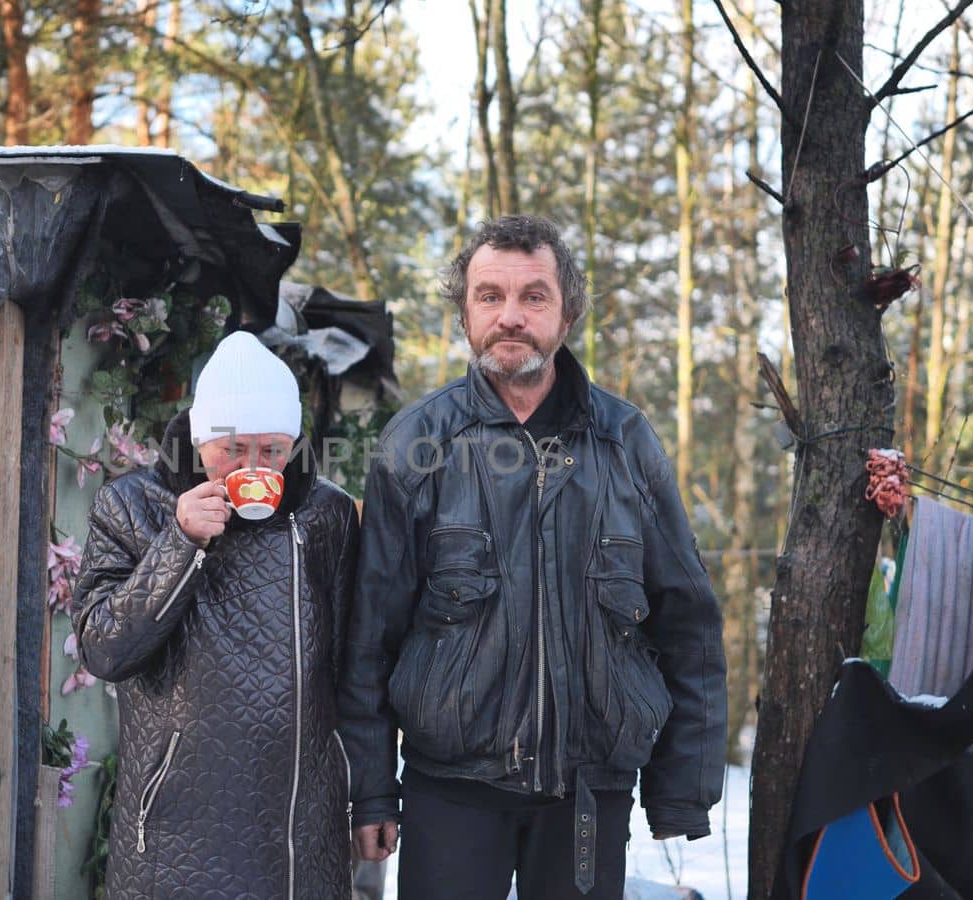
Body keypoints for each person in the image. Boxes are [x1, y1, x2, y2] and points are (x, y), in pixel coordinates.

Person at [337, 215, 727, 900]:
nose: (510, 316)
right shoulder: (416, 445)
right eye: (490, 296)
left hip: (588, 794)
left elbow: (687, 619)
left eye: (533, 297)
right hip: (450, 791)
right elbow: (369, 635)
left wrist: (681, 791)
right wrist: (370, 789)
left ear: (567, 313)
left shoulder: (626, 442)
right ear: (464, 313)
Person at [73, 331, 360, 899]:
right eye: (232, 450)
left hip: (297, 827)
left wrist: (371, 793)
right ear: (201, 439)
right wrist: (180, 543)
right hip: (176, 819)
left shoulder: (326, 513)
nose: (253, 466)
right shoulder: (131, 505)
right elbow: (103, 650)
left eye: (272, 451)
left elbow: (356, 660)